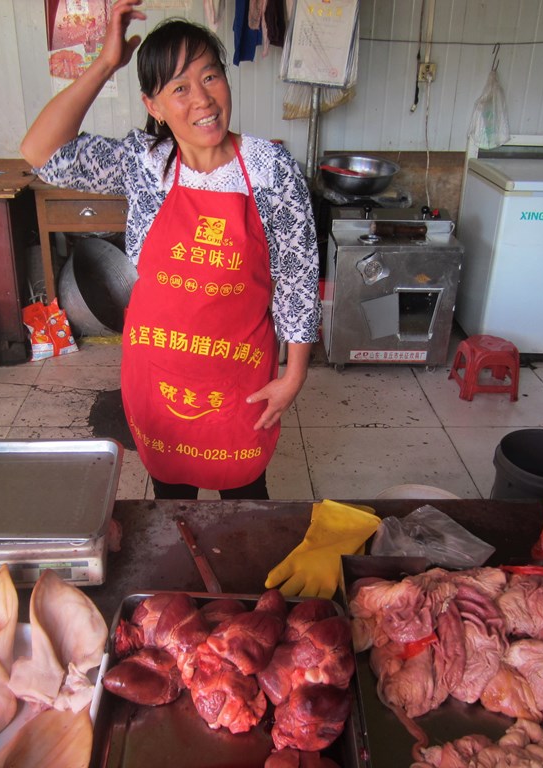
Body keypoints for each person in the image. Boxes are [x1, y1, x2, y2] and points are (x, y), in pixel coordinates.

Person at [20, 1, 321, 500]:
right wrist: (104, 64)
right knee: (171, 502)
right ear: (153, 105)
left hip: (237, 374)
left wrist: (295, 374)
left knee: (244, 500)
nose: (202, 99)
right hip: (160, 373)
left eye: (210, 77)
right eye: (179, 88)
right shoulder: (146, 164)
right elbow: (40, 152)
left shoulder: (270, 169)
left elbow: (297, 279)